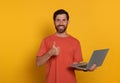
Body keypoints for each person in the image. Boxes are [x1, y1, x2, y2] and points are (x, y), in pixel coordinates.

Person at [36, 9, 96, 83]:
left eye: (64, 20)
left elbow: (75, 65)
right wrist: (50, 53)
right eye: (58, 20)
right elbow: (38, 63)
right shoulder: (46, 40)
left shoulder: (75, 42)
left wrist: (87, 68)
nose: (61, 23)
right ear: (54, 22)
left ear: (68, 22)